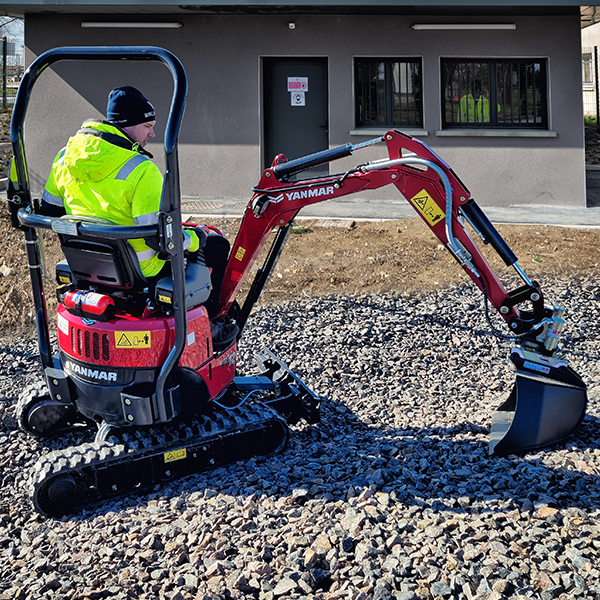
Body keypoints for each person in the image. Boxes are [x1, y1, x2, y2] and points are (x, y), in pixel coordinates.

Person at [41, 86, 237, 347]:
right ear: (127, 125)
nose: (152, 133)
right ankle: (210, 328)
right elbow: (159, 240)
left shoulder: (64, 158)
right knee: (215, 245)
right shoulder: (141, 169)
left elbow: (49, 212)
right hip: (139, 271)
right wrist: (195, 238)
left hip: (86, 267)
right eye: (147, 125)